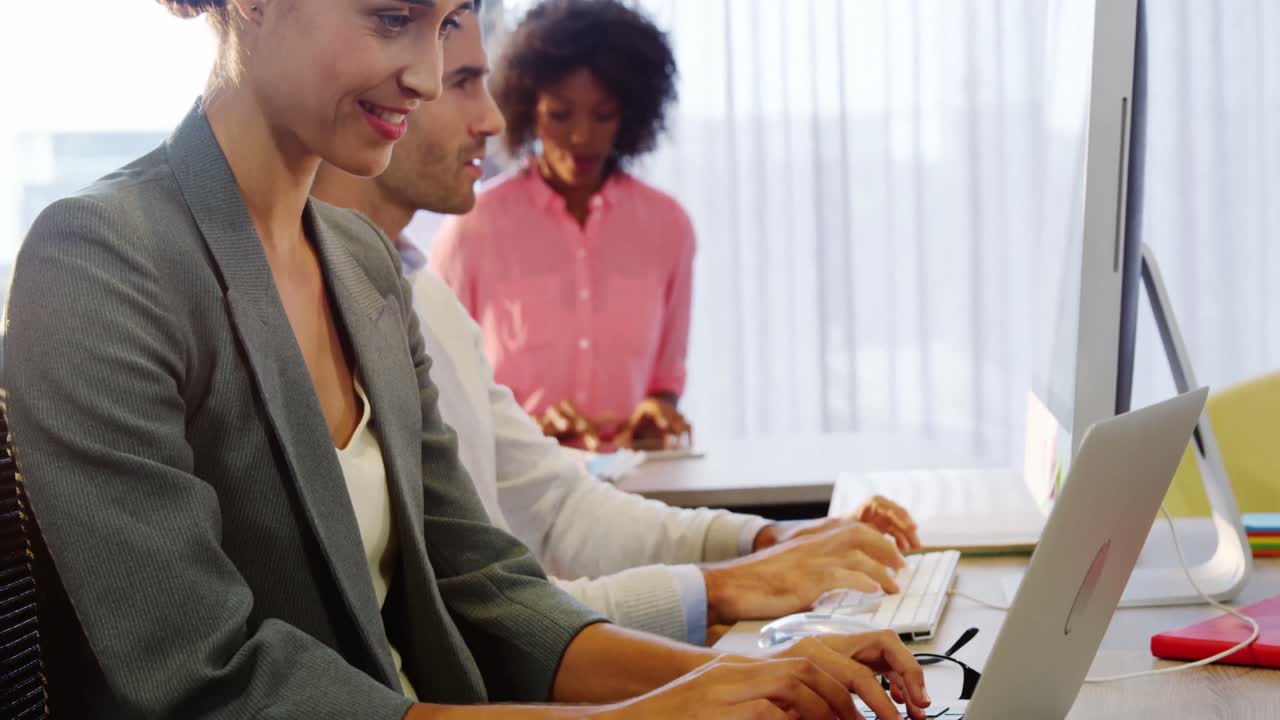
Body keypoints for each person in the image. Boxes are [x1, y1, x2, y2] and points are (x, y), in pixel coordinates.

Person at [3, 1, 929, 718]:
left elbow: (479, 583)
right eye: (392, 17)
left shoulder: (362, 264)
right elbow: (208, 683)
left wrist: (747, 676)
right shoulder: (101, 260)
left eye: (444, 24)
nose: (424, 72)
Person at [312, 1, 922, 650]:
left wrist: (767, 540)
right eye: (464, 82)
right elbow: (474, 609)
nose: (491, 120)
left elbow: (560, 509)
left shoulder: (422, 297)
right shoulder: (340, 299)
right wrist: (727, 585)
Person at [428, 0, 698, 451]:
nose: (581, 137)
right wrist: (527, 430)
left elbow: (664, 380)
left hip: (638, 491)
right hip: (515, 485)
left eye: (603, 114)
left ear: (630, 113)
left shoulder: (669, 227)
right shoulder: (473, 227)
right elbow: (442, 386)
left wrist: (658, 411)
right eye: (560, 114)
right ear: (526, 107)